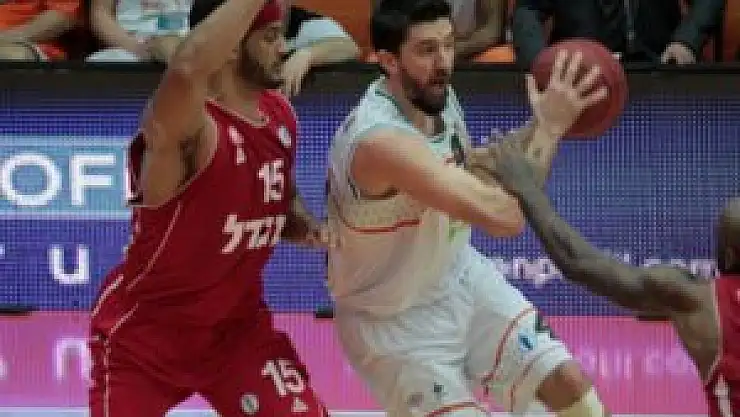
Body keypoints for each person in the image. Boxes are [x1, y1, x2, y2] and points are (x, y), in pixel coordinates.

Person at [326, 0, 611, 415]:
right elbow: (506, 216)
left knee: (574, 391)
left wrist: (539, 123)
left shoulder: (437, 96)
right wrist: (549, 130)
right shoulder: (381, 142)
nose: (444, 62)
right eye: (426, 50)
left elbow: (477, 173)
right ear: (388, 61)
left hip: (460, 278)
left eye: (448, 44)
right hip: (394, 323)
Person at [87, 0, 331, 415]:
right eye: (270, 37)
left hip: (237, 332)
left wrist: (307, 227)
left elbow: (280, 196)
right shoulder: (191, 126)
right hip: (148, 338)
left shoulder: (279, 115)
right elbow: (186, 69)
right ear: (231, 45)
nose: (284, 48)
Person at [484, 140, 740, 416]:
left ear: (728, 255)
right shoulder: (696, 302)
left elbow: (577, 261)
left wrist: (526, 189)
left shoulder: (699, 302)